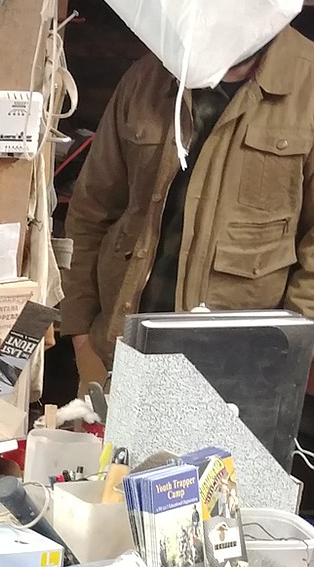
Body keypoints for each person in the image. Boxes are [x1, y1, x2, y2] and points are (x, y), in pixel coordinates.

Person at [62, 27, 314, 392]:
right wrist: (82, 335)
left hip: (238, 372)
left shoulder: (306, 85)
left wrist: (286, 354)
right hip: (119, 355)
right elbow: (90, 211)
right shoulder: (148, 77)